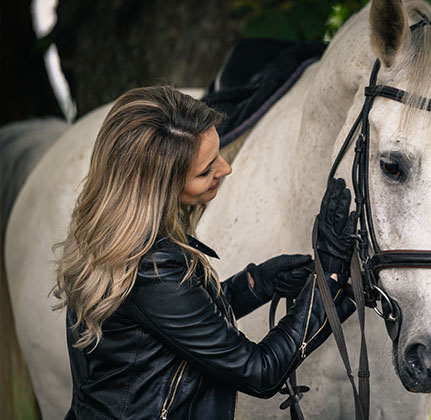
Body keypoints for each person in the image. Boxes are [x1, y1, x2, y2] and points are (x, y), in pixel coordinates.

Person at [53, 86, 357, 419]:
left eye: (218, 153)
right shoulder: (150, 266)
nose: (225, 169)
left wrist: (256, 284)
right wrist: (326, 282)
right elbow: (259, 372)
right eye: (205, 170)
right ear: (159, 188)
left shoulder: (117, 238)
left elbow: (169, 326)